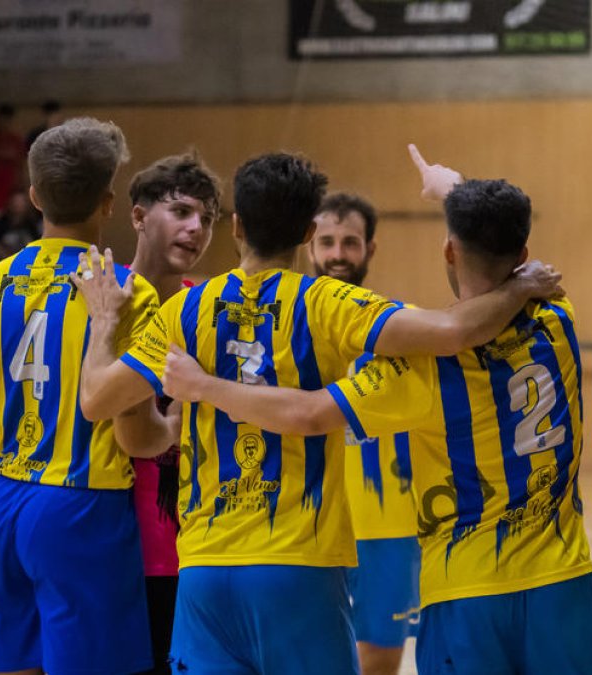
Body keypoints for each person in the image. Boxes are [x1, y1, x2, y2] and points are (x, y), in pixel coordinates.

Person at [69, 151, 563, 674]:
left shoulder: (184, 309)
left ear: (237, 226)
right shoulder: (327, 303)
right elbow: (455, 332)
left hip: (204, 570)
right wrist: (518, 285)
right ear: (309, 233)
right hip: (298, 566)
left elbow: (97, 400)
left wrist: (104, 323)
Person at [0, 118, 166, 675]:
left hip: (0, 503)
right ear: (108, 203)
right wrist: (180, 428)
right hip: (84, 505)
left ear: (34, 196)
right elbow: (134, 434)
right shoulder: (126, 291)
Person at [310, 192, 420, 675]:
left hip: (387, 527)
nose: (337, 254)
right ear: (308, 245)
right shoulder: (286, 328)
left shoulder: (402, 328)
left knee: (379, 656)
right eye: (327, 241)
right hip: (307, 522)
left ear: (370, 250)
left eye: (350, 242)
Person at [122, 151, 222, 675]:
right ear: (138, 216)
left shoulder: (207, 309)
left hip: (198, 551)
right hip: (112, 546)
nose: (196, 228)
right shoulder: (100, 298)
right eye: (181, 211)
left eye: (206, 218)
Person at [0, 189, 42, 267]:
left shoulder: (30, 226)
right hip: (1, 266)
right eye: (16, 202)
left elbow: (35, 245)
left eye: (21, 203)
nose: (19, 206)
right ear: (10, 203)